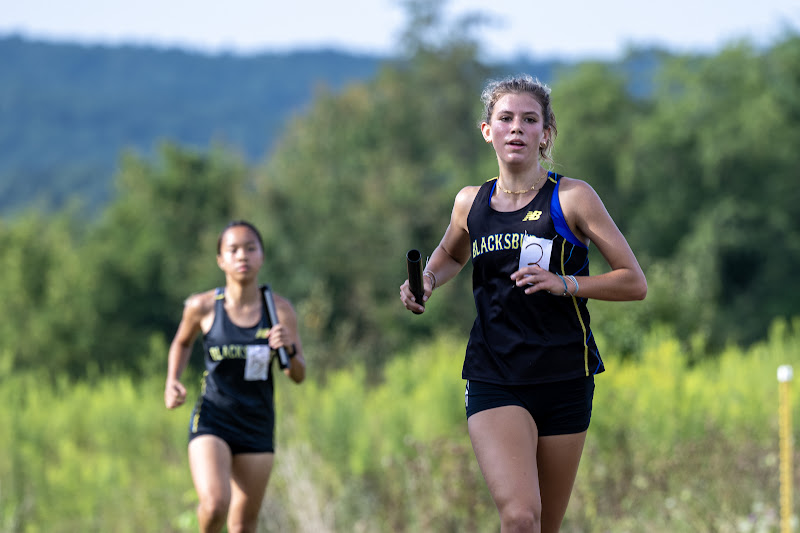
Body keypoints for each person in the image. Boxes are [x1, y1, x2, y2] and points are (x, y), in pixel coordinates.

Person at [400, 74, 647, 533]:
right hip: (495, 374)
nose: (517, 128)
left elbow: (634, 282)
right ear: (487, 130)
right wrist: (428, 279)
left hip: (565, 376)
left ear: (545, 133)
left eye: (529, 120)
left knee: (543, 527)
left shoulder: (572, 197)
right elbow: (452, 253)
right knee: (519, 519)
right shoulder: (470, 202)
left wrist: (565, 283)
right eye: (506, 118)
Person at [164, 220, 306, 533]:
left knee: (242, 525)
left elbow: (297, 374)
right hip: (213, 417)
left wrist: (290, 350)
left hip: (256, 422)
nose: (242, 256)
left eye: (251, 248)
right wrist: (172, 379)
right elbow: (182, 342)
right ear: (221, 260)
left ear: (262, 256)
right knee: (215, 505)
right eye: (233, 250)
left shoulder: (279, 310)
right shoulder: (201, 307)